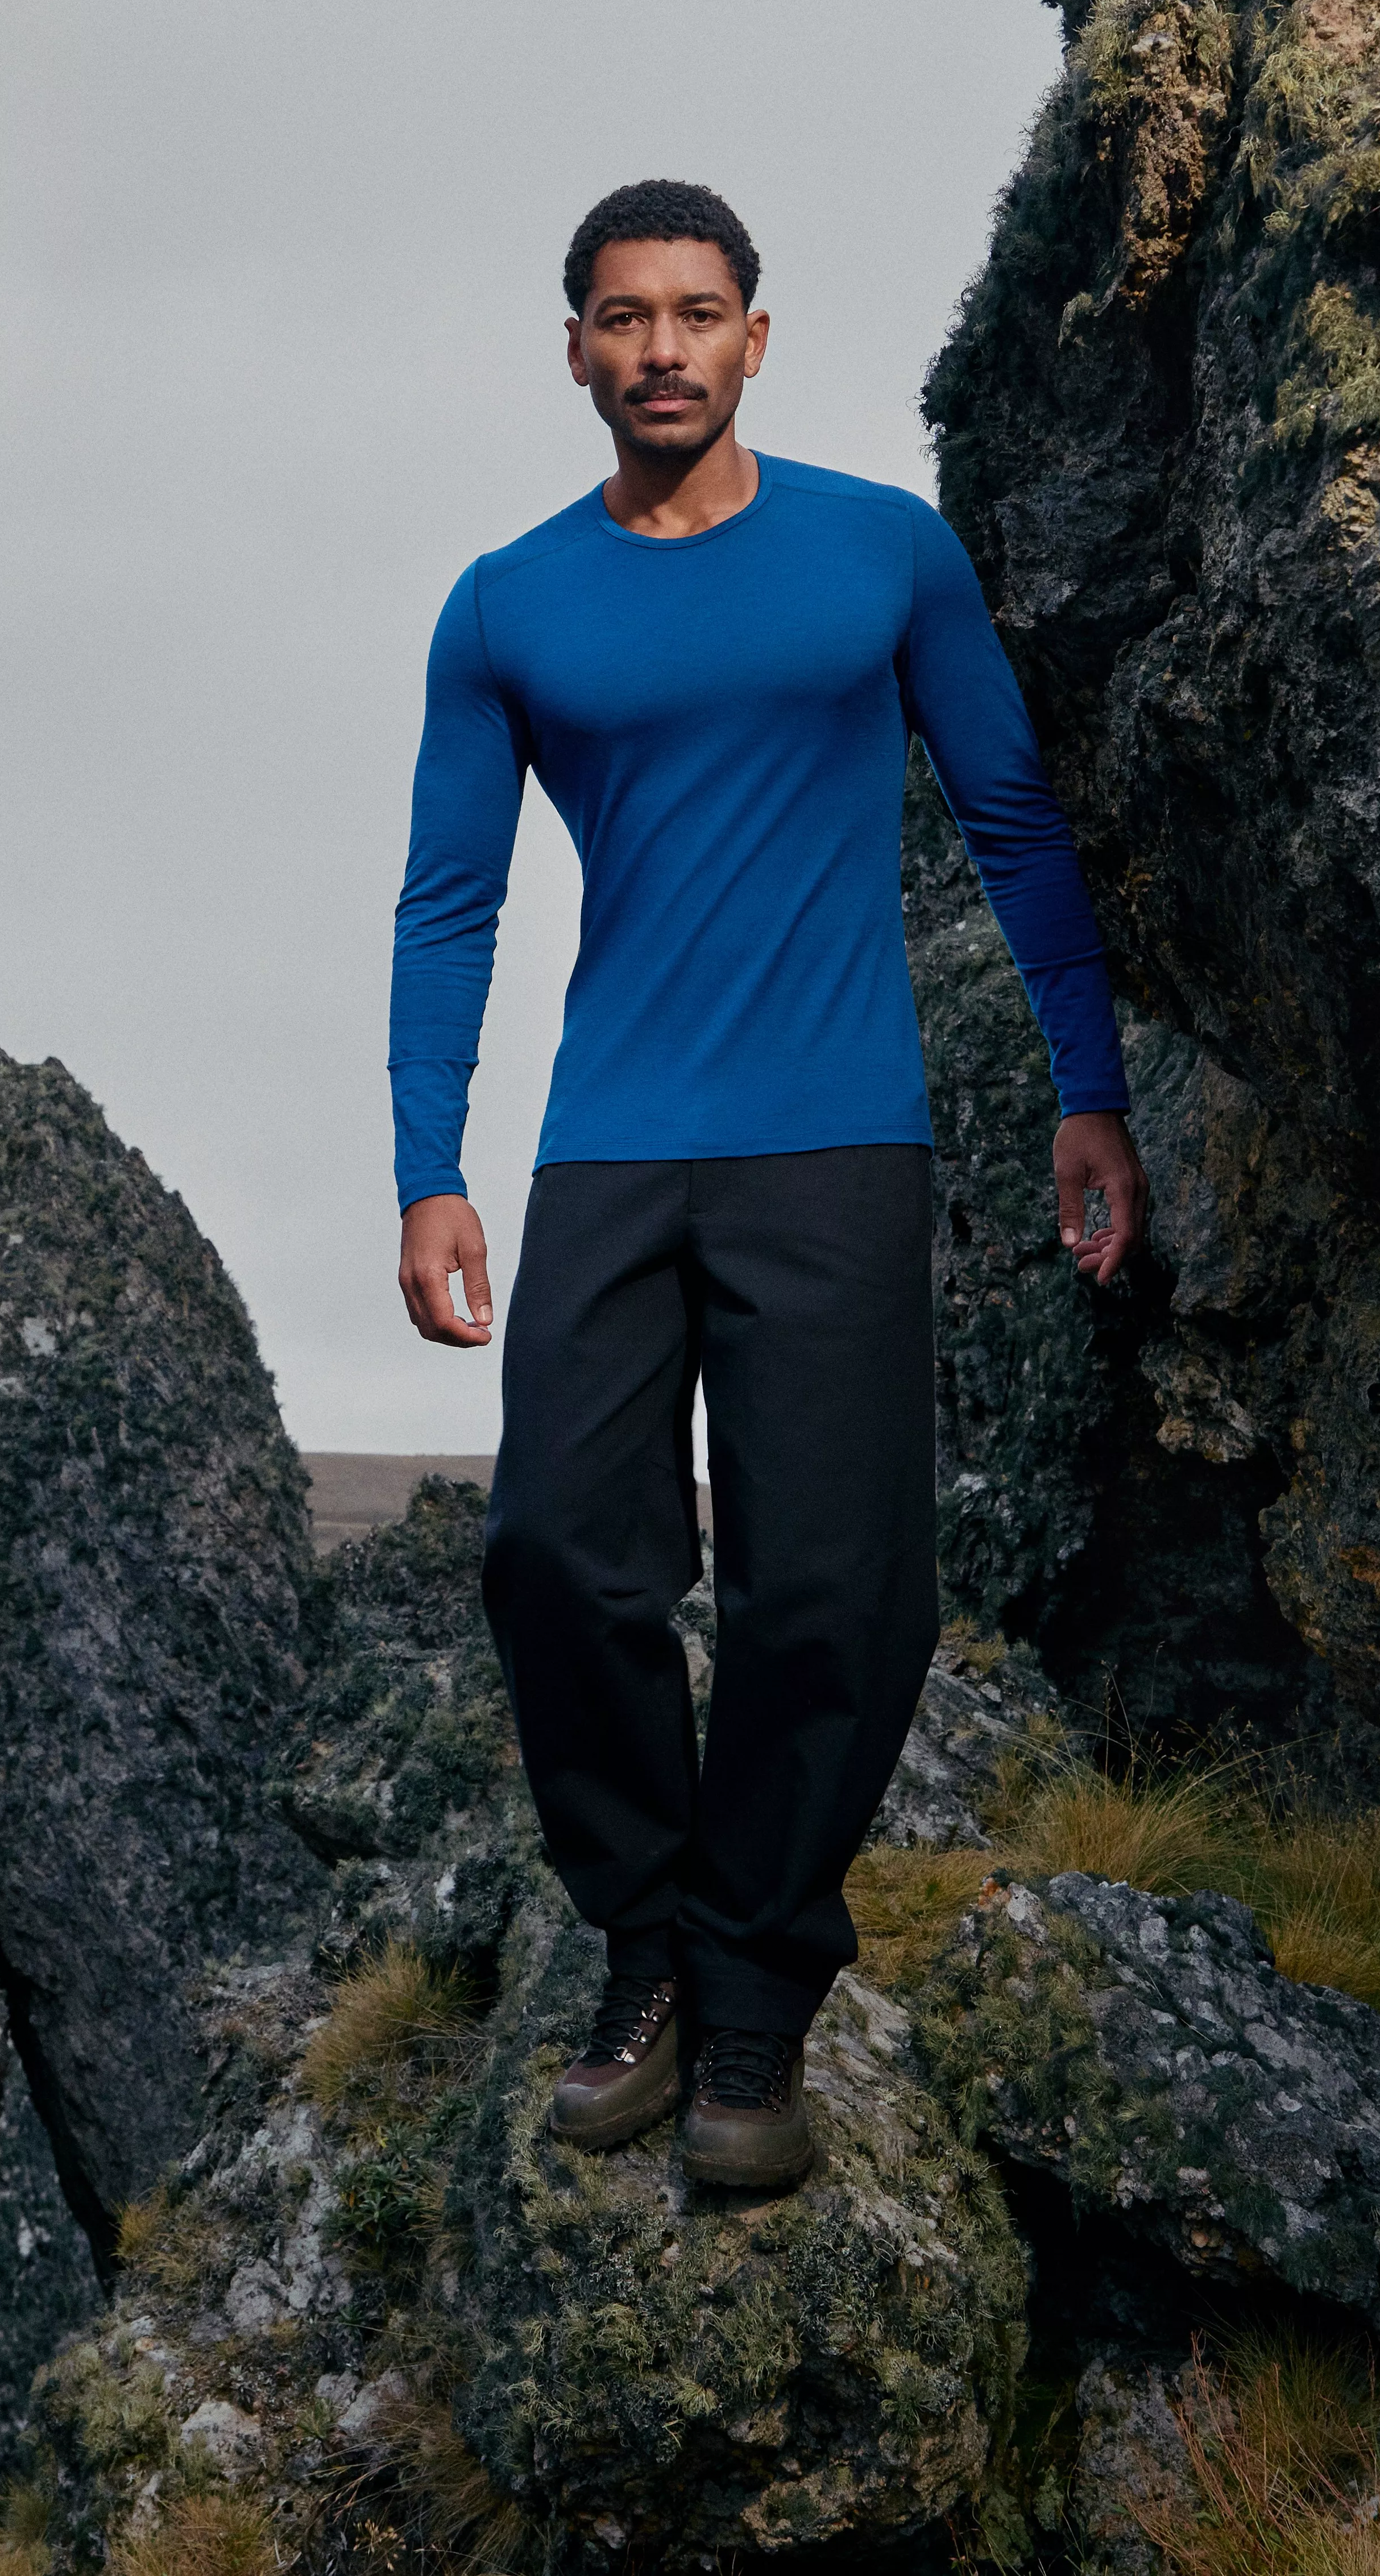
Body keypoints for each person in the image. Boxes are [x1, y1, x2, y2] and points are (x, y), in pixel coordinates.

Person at [387, 177, 1145, 2190]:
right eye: (623, 318)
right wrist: (426, 1166)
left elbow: (1009, 816)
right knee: (558, 1550)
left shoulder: (884, 556)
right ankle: (643, 1942)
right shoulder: (506, 604)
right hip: (615, 1142)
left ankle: (754, 2004)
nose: (662, 350)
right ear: (573, 347)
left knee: (835, 1585)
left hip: (836, 1135)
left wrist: (1091, 1086)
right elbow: (450, 905)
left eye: (697, 314)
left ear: (756, 338)